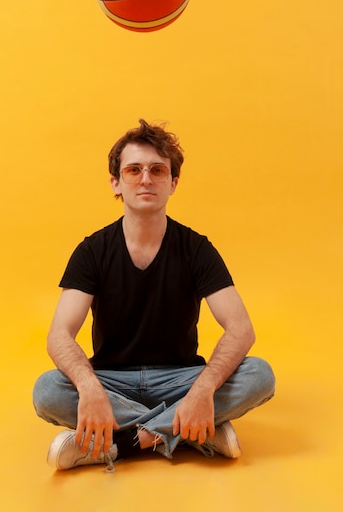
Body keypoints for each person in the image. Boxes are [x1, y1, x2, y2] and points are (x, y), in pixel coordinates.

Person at [33, 119, 275, 472]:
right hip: (112, 380)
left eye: (157, 170)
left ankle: (123, 443)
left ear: (173, 182)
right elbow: (59, 335)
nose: (146, 179)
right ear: (116, 182)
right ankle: (194, 431)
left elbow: (240, 329)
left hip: (180, 378)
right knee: (48, 390)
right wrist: (89, 388)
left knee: (259, 375)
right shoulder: (92, 251)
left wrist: (203, 391)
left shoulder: (197, 249)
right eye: (134, 170)